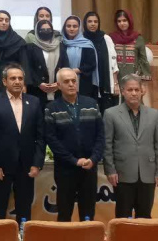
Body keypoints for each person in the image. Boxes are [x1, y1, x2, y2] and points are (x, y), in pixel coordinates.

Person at [0, 63, 44, 222]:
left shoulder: (34, 102)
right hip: (1, 167)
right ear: (4, 81)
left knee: (24, 210)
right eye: (13, 78)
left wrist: (37, 163)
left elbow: (41, 136)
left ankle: (22, 234)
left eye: (20, 78)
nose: (17, 81)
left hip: (26, 167)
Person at [44, 68, 104, 222]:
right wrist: (73, 160)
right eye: (66, 81)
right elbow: (52, 140)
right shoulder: (52, 108)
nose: (71, 84)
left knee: (88, 215)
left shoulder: (91, 104)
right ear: (58, 85)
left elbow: (100, 136)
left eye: (73, 81)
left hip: (89, 168)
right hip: (65, 170)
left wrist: (94, 159)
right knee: (64, 215)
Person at [104, 74, 158, 218]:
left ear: (142, 91)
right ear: (123, 91)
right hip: (122, 174)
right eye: (130, 90)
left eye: (136, 90)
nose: (134, 93)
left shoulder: (153, 114)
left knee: (144, 216)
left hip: (148, 174)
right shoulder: (111, 114)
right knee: (122, 216)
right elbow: (107, 145)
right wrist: (110, 170)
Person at [83, 11, 120, 113]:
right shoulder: (81, 39)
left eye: (95, 21)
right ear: (85, 23)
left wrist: (115, 83)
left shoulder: (106, 38)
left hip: (105, 84)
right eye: (90, 21)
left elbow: (113, 62)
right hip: (87, 84)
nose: (93, 24)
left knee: (106, 114)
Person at [0, 10, 26, 94]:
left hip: (15, 80)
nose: (4, 23)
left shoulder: (18, 41)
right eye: (1, 20)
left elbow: (24, 63)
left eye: (7, 20)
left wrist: (24, 84)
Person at [57, 16, 98, 98]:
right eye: (68, 26)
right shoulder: (59, 43)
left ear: (79, 28)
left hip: (83, 83)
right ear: (64, 28)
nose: (71, 29)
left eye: (75, 26)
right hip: (63, 83)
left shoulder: (87, 44)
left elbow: (91, 64)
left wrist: (75, 71)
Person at [24, 20, 61, 106]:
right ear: (37, 31)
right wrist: (39, 84)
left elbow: (65, 66)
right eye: (42, 30)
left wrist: (58, 83)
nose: (46, 32)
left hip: (57, 89)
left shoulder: (60, 46)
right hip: (37, 89)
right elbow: (28, 67)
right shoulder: (31, 47)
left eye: (48, 30)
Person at [110, 9, 151, 82]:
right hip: (116, 77)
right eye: (119, 21)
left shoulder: (138, 38)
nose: (122, 23)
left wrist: (144, 79)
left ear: (130, 21)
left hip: (134, 77)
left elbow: (143, 59)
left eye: (124, 20)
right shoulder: (112, 38)